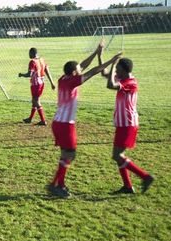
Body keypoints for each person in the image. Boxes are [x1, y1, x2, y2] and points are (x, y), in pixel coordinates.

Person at [48, 43, 122, 198]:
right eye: (79, 69)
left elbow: (83, 65)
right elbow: (93, 71)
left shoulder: (63, 78)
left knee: (66, 154)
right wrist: (112, 61)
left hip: (58, 122)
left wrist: (97, 52)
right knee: (70, 155)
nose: (81, 69)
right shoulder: (73, 82)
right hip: (65, 124)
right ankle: (55, 185)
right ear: (75, 72)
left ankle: (58, 184)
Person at [106, 57, 154, 194]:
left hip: (128, 123)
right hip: (123, 123)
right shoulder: (123, 78)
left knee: (117, 155)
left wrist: (113, 64)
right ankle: (127, 187)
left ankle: (145, 177)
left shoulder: (129, 82)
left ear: (124, 70)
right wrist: (100, 54)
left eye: (118, 69)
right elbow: (105, 74)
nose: (116, 72)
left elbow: (109, 85)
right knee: (118, 155)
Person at [18, 47, 55, 126]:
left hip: (35, 84)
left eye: (29, 53)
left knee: (36, 101)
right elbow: (47, 71)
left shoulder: (32, 62)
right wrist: (52, 82)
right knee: (34, 100)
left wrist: (21, 75)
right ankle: (30, 118)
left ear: (31, 53)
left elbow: (29, 74)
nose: (29, 55)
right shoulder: (42, 60)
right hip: (41, 83)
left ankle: (43, 120)